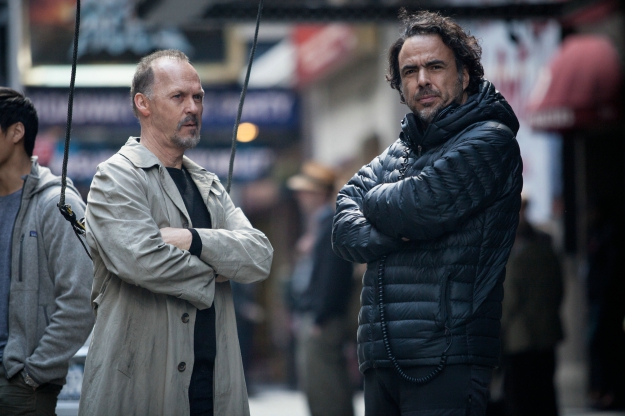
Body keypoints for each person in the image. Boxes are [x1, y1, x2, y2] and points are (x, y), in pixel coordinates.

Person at [332, 10, 523, 416]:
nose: (422, 80)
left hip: (447, 357)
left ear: (464, 75)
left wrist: (379, 205)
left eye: (435, 67)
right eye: (410, 71)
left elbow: (420, 206)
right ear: (400, 86)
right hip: (381, 359)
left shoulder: (491, 139)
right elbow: (343, 229)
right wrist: (397, 227)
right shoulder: (397, 152)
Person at [78, 50, 273, 416]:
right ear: (143, 104)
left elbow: (260, 256)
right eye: (178, 97)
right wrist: (220, 268)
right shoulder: (115, 177)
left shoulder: (208, 184)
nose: (193, 108)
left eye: (198, 97)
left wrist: (192, 240)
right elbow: (144, 261)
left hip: (214, 389)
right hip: (142, 390)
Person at [0, 87, 94, 414]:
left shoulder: (56, 204)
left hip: (20, 385)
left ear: (16, 132)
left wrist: (35, 373)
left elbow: (82, 297)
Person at [287, 162, 355, 416]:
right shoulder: (320, 224)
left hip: (323, 320)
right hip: (316, 316)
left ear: (319, 193)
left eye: (306, 192)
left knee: (326, 388)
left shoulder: (330, 224)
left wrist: (319, 317)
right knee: (319, 385)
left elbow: (332, 277)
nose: (301, 197)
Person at [500, 197, 564, 416]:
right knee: (546, 391)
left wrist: (500, 329)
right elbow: (559, 290)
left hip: (521, 338)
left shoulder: (516, 261)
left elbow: (510, 300)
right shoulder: (549, 254)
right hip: (547, 334)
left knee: (522, 396)